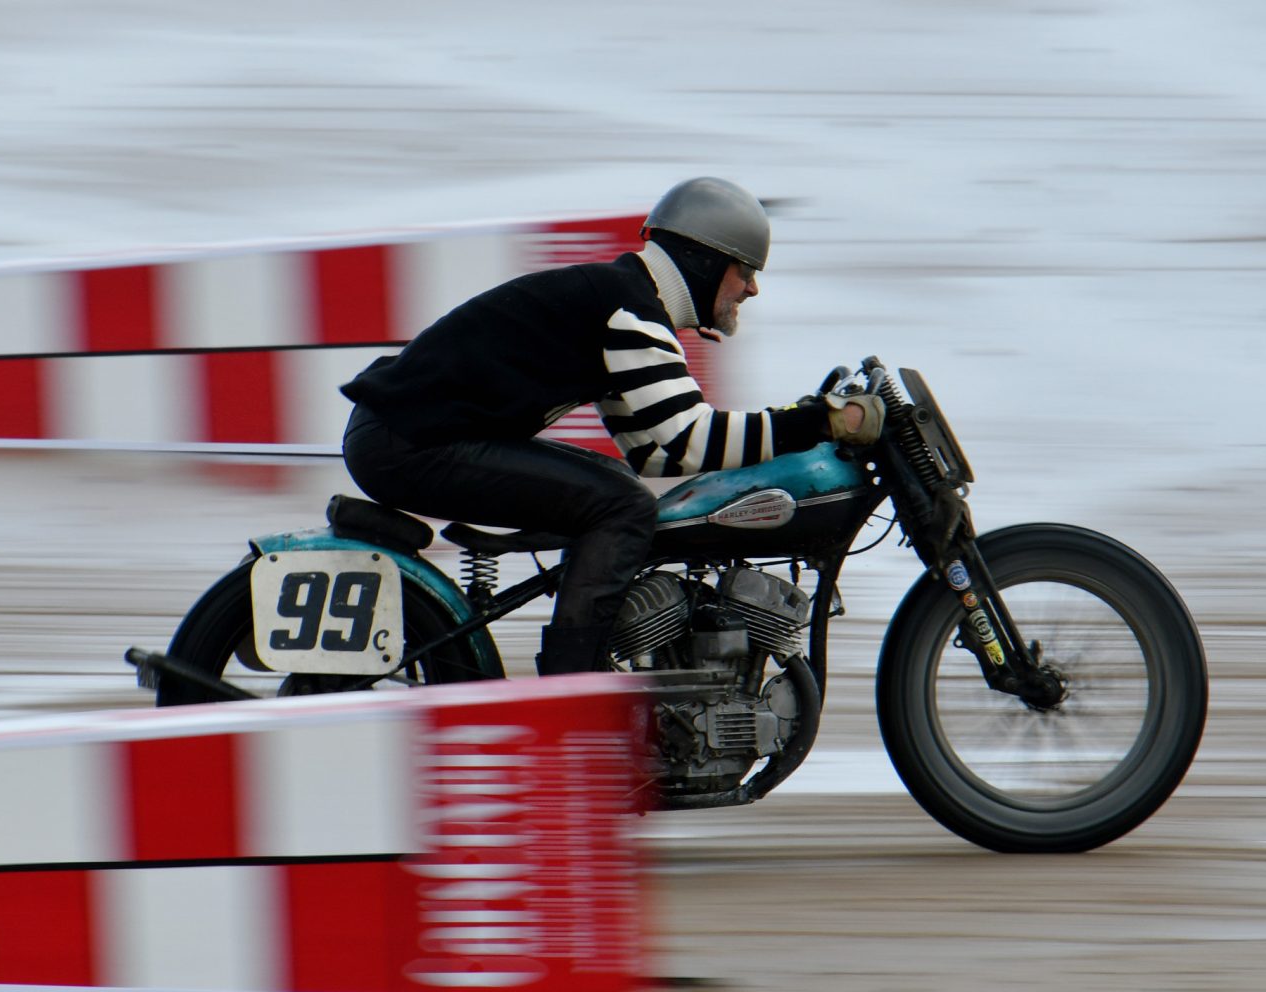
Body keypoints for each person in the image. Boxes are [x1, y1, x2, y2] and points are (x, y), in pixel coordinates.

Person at [339, 177, 881, 674]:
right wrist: (822, 422)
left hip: (400, 434)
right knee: (623, 506)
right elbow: (691, 440)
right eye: (746, 269)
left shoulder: (624, 301)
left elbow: (654, 455)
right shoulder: (631, 313)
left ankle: (612, 656)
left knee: (620, 487)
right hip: (408, 442)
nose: (752, 289)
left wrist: (794, 427)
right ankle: (575, 682)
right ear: (706, 261)